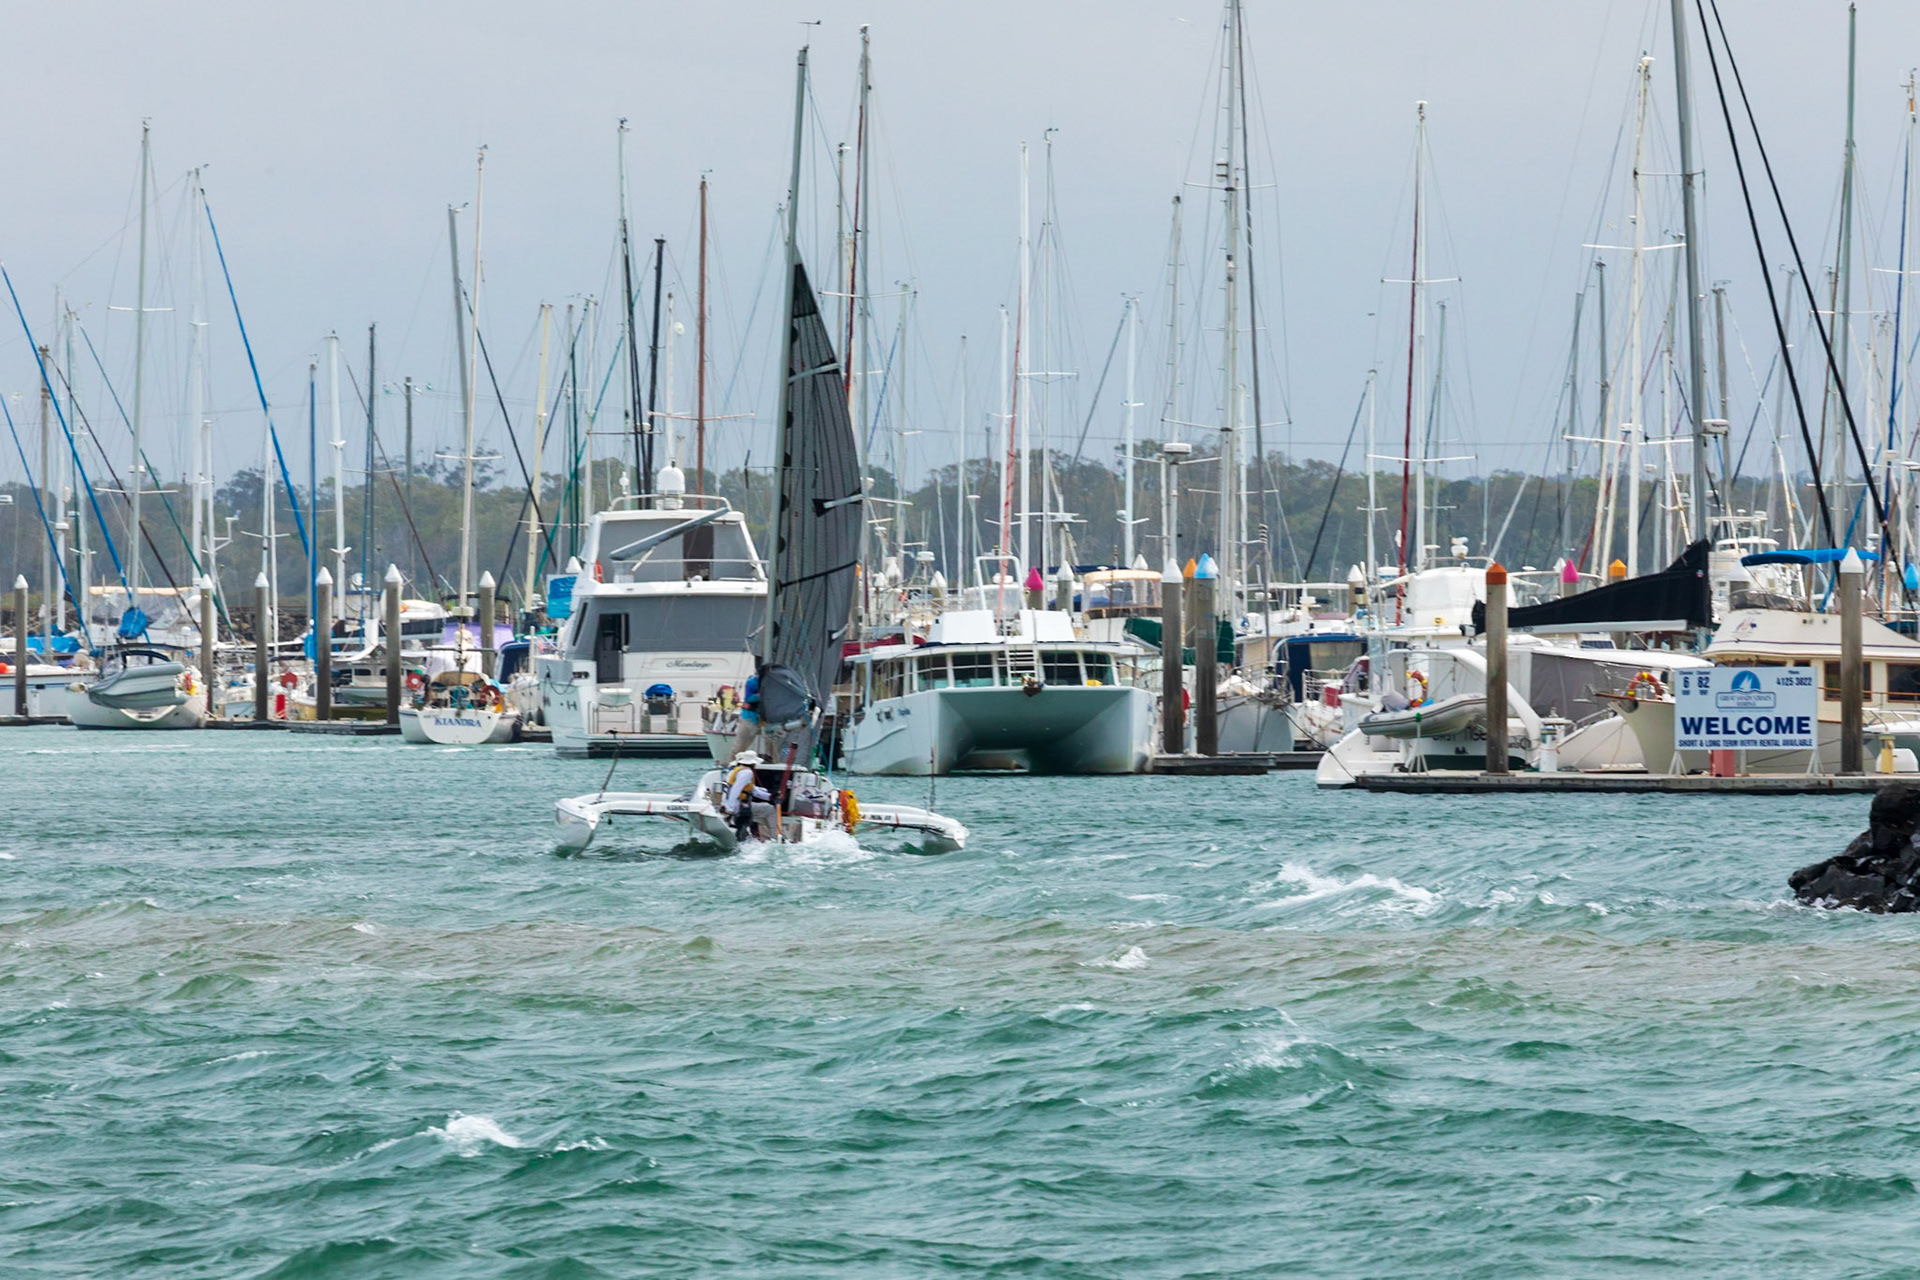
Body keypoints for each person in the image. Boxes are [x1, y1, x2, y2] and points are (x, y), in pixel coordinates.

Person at [721, 751, 771, 842]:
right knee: (770, 809)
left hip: (727, 803)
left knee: (752, 810)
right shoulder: (747, 773)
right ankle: (777, 836)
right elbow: (735, 790)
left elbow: (753, 790)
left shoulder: (734, 771)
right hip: (737, 806)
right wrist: (730, 811)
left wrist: (770, 797)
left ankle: (752, 834)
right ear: (753, 763)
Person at [732, 661, 765, 754]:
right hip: (750, 717)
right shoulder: (752, 682)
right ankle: (735, 763)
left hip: (765, 718)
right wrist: (762, 695)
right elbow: (748, 698)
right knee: (741, 745)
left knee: (771, 744)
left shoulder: (771, 684)